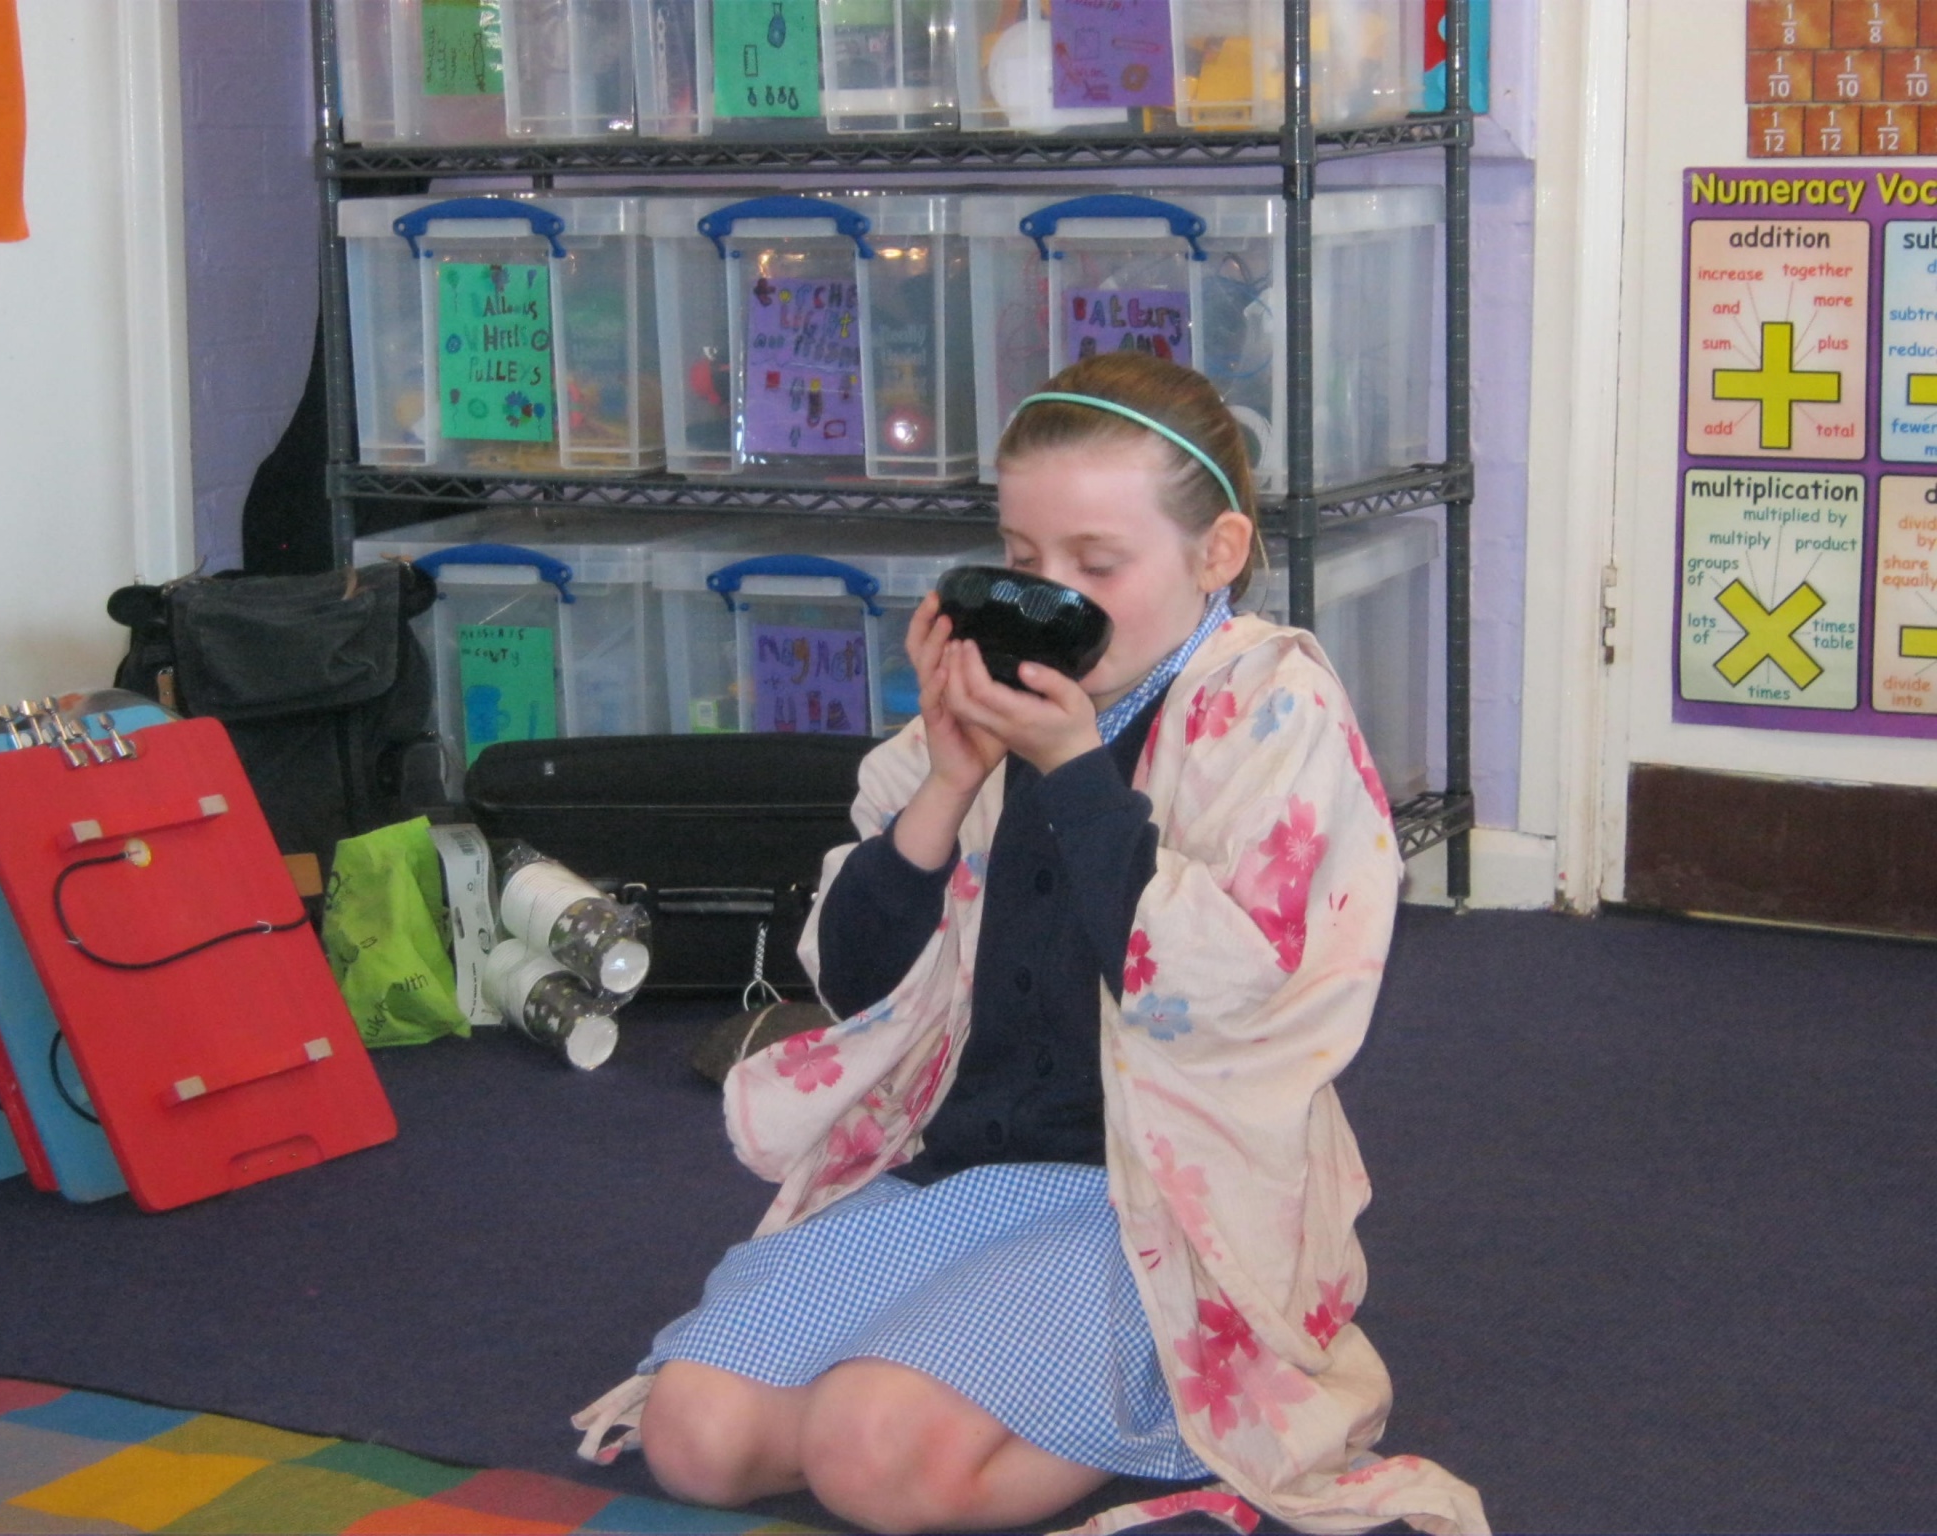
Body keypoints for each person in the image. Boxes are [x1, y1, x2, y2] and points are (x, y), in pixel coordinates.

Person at [574, 353, 1487, 1536]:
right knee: (692, 1437)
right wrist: (950, 780)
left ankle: (1165, 1385)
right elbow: (855, 982)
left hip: (1145, 1199)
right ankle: (959, 1380)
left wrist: (1071, 772)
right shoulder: (1000, 705)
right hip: (957, 1169)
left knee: (866, 1457)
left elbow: (1209, 995)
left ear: (1214, 554)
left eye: (1095, 565)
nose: (1047, 593)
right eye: (1019, 560)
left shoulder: (1270, 708)